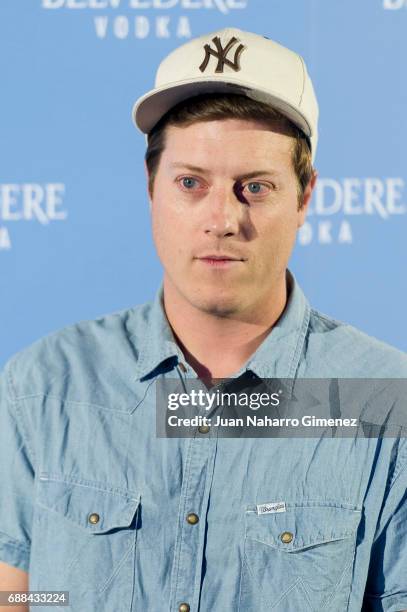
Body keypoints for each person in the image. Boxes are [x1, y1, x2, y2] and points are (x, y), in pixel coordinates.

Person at [0, 27, 406, 612]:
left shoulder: (384, 404)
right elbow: (17, 595)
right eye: (191, 183)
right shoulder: (43, 387)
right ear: (151, 188)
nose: (222, 219)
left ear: (305, 198)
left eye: (255, 188)